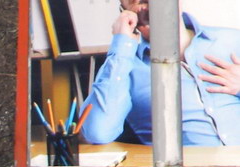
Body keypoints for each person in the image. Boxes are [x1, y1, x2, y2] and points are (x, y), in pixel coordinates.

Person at [81, 1, 240, 146]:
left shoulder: (232, 41)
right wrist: (121, 44)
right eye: (132, 1)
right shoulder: (125, 66)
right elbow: (96, 132)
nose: (142, 8)